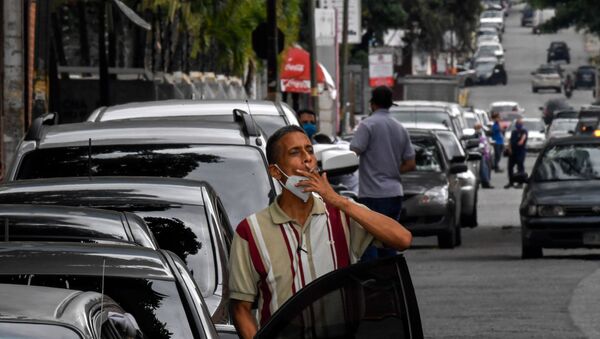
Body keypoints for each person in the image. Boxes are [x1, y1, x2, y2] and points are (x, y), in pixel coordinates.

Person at [228, 125, 412, 339]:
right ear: (275, 172)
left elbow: (402, 239)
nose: (307, 159)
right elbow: (241, 308)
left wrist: (337, 200)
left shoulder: (341, 214)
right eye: (295, 153)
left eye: (309, 150)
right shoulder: (250, 231)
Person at [350, 86, 416, 260]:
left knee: (367, 243)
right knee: (389, 242)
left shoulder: (367, 125)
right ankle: (389, 283)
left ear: (372, 104)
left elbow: (353, 152)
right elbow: (410, 163)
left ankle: (372, 284)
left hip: (372, 194)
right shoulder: (400, 128)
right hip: (394, 193)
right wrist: (392, 169)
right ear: (389, 105)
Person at [504, 118, 528, 189]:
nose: (518, 125)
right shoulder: (514, 132)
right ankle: (511, 182)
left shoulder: (524, 131)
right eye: (517, 123)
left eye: (520, 124)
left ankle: (520, 183)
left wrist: (521, 141)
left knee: (520, 167)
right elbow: (510, 141)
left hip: (520, 152)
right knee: (510, 167)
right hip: (513, 152)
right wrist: (509, 149)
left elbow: (523, 139)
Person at [475, 123, 494, 189]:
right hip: (482, 153)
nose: (479, 129)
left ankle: (486, 181)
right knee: (484, 169)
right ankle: (485, 182)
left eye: (480, 127)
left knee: (488, 168)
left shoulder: (483, 134)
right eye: (478, 128)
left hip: (487, 153)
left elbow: (487, 142)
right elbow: (480, 145)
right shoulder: (476, 135)